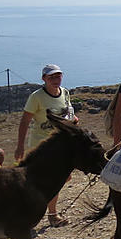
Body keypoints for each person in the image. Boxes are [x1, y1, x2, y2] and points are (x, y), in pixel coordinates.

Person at [15, 64, 78, 227]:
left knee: (64, 178)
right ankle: (51, 213)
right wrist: (20, 146)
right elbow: (25, 121)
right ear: (44, 79)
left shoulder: (65, 92)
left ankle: (41, 206)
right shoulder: (36, 97)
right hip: (41, 146)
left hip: (60, 145)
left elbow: (68, 112)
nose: (56, 80)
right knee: (52, 179)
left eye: (58, 76)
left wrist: (73, 120)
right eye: (51, 77)